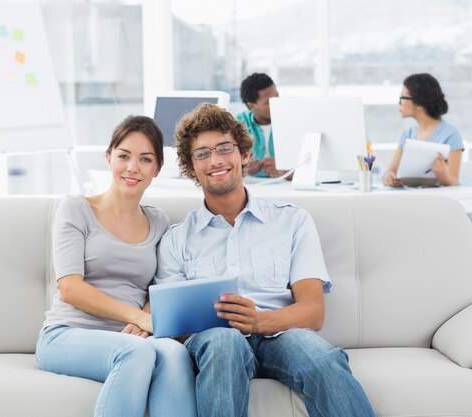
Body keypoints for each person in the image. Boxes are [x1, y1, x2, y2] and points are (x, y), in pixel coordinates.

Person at [156, 103, 375, 417]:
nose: (215, 160)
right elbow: (173, 327)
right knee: (223, 344)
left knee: (319, 356)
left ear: (244, 155)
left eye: (224, 148)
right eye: (202, 154)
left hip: (280, 334)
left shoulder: (292, 221)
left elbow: (313, 312)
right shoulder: (177, 238)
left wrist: (258, 322)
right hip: (216, 343)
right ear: (191, 168)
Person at [36, 115, 197, 417]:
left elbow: (159, 288)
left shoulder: (159, 222)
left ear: (157, 169)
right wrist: (136, 317)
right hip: (67, 334)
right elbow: (70, 288)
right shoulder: (75, 209)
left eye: (145, 160)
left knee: (175, 353)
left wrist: (144, 321)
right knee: (135, 352)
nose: (132, 167)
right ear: (109, 159)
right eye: (124, 156)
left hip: (132, 336)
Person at [383, 73, 464, 187]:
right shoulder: (407, 135)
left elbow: (453, 182)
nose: (399, 102)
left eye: (403, 97)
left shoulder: (450, 135)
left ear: (420, 104)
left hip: (439, 201)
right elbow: (390, 171)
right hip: (411, 199)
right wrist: (389, 178)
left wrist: (441, 174)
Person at [236, 72, 286, 178]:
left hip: (287, 188)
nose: (277, 104)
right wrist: (244, 169)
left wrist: (286, 173)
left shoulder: (292, 120)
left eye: (277, 97)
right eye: (269, 102)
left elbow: (312, 166)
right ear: (251, 106)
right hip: (252, 187)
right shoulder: (236, 125)